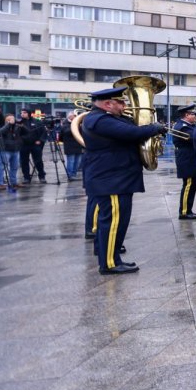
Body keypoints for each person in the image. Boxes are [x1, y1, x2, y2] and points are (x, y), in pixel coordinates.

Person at [80, 86, 167, 275]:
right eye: (120, 102)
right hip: (111, 179)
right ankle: (110, 263)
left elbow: (129, 130)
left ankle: (111, 257)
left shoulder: (106, 118)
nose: (124, 105)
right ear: (107, 103)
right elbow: (132, 134)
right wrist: (154, 128)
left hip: (116, 177)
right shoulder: (100, 120)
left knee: (117, 221)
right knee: (112, 222)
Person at [172, 105, 196, 219]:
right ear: (187, 115)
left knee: (191, 186)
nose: (195, 116)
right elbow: (195, 137)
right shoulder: (183, 127)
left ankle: (188, 209)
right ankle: (184, 211)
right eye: (193, 114)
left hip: (190, 159)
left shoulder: (187, 125)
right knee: (188, 186)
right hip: (187, 160)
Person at [18, 109, 46, 184]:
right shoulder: (20, 123)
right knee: (24, 162)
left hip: (35, 144)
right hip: (24, 145)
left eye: (24, 113)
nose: (22, 114)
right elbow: (17, 134)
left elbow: (43, 132)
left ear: (29, 113)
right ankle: (26, 178)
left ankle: (42, 176)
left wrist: (40, 140)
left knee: (38, 161)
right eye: (21, 113)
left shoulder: (37, 121)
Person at [0, 113, 26, 192]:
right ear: (6, 120)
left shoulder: (16, 127)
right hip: (5, 150)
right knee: (1, 167)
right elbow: (0, 132)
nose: (12, 120)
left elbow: (27, 132)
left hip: (15, 150)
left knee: (14, 167)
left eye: (13, 119)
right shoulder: (3, 127)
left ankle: (14, 182)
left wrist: (22, 125)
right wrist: (9, 125)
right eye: (9, 119)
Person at [62, 112, 85, 181]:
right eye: (74, 116)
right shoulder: (65, 124)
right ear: (70, 117)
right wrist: (74, 125)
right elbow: (66, 132)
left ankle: (74, 174)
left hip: (78, 145)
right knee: (71, 161)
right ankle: (70, 175)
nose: (75, 117)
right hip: (70, 146)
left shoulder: (78, 124)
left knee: (77, 161)